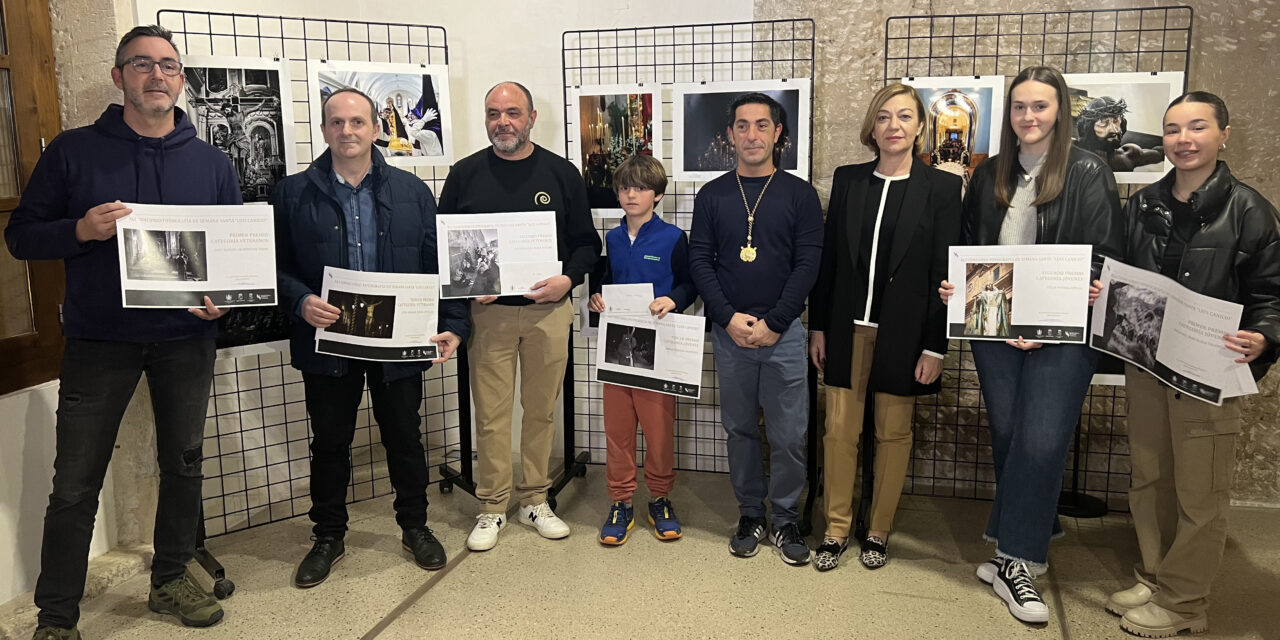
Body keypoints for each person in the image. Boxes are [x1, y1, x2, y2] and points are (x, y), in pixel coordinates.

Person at [4, 25, 241, 638]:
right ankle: (56, 617)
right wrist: (79, 231)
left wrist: (224, 302)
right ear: (119, 77)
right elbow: (21, 235)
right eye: (141, 64)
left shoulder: (213, 163)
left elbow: (230, 259)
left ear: (180, 79)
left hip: (187, 340)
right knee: (76, 482)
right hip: (98, 339)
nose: (155, 75)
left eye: (167, 65)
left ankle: (167, 582)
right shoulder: (72, 152)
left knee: (185, 466)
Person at [938, 66, 1125, 624]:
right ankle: (1036, 523)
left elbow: (1102, 255)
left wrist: (1046, 315)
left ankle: (1012, 559)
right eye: (1020, 107)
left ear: (1060, 111)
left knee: (1042, 441)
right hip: (995, 327)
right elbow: (970, 248)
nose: (1028, 117)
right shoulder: (991, 172)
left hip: (1063, 332)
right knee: (1011, 434)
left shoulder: (1089, 170)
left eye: (1040, 106)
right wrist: (957, 285)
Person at [273, 87, 469, 588]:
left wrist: (454, 324)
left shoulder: (413, 192)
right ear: (323, 130)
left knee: (404, 437)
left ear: (377, 128)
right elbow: (274, 268)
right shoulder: (292, 192)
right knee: (331, 443)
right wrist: (299, 301)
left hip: (397, 343)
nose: (348, 131)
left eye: (358, 122)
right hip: (328, 342)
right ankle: (328, 536)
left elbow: (437, 267)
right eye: (336, 123)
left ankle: (415, 527)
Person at [1104, 91, 1280, 638]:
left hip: (1209, 370)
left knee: (1201, 490)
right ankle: (1155, 575)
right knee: (1150, 476)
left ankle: (1185, 603)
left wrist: (1265, 337)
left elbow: (1271, 294)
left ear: (1223, 134)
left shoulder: (1250, 210)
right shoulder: (1142, 205)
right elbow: (1125, 276)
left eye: (1198, 127)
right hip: (1149, 364)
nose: (1184, 139)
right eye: (1174, 128)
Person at [439, 81, 602, 551]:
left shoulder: (561, 173)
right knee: (490, 415)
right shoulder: (464, 174)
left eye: (513, 112)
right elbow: (444, 244)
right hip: (487, 318)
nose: (502, 122)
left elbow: (586, 244)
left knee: (540, 411)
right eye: (493, 113)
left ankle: (534, 499)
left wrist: (567, 280)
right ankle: (491, 506)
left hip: (547, 313)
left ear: (532, 118)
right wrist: (469, 288)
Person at [808, 84, 961, 571]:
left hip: (904, 333)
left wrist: (936, 346)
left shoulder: (940, 188)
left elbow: (947, 271)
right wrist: (818, 327)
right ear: (871, 127)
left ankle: (877, 530)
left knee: (893, 434)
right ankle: (836, 528)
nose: (893, 126)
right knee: (838, 432)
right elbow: (830, 260)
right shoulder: (849, 179)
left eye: (904, 117)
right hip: (846, 328)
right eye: (883, 117)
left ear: (920, 127)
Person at [688, 92, 823, 566]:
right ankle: (751, 514)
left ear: (777, 133)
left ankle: (785, 518)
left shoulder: (799, 194)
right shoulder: (713, 195)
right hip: (730, 334)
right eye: (742, 126)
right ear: (730, 136)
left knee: (789, 434)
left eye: (761, 125)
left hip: (784, 335)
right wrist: (728, 318)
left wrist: (774, 322)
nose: (751, 135)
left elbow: (808, 264)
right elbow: (700, 262)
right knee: (739, 429)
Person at [587, 154, 697, 546]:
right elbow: (605, 282)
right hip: (617, 347)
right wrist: (596, 299)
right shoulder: (612, 239)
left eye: (640, 188)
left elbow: (689, 285)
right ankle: (620, 501)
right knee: (617, 431)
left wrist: (673, 300)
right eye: (624, 187)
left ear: (658, 194)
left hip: (660, 349)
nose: (631, 194)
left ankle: (661, 498)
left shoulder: (673, 238)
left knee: (658, 430)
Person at [1074, 96, 1163, 172]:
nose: (1114, 129)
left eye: (1116, 121)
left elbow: (1161, 153)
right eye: (1104, 122)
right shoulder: (1072, 151)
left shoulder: (1129, 155)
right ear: (1089, 127)